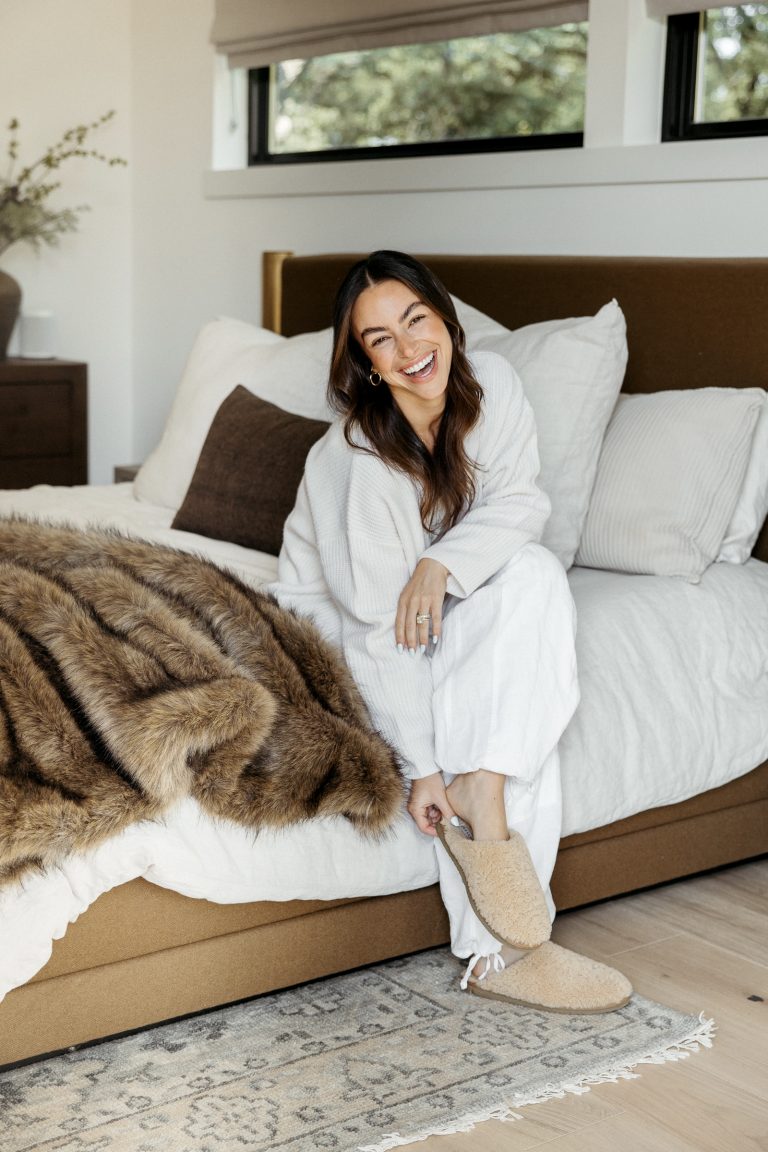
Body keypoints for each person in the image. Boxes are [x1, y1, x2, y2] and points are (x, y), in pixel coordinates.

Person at [269, 250, 632, 1013]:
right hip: (336, 632)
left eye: (416, 322)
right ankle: (496, 952)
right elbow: (375, 630)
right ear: (364, 364)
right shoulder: (358, 460)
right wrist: (423, 769)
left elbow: (520, 505)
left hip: (435, 600)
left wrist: (437, 565)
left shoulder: (491, 384)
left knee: (532, 579)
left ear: (446, 320)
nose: (408, 352)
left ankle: (487, 791)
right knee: (487, 694)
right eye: (380, 341)